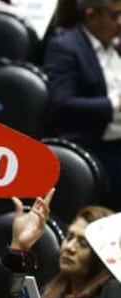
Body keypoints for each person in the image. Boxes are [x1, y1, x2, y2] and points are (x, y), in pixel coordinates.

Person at [45, 0, 121, 208]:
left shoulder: (116, 47)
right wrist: (113, 104)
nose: (120, 23)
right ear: (91, 15)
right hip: (94, 152)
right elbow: (61, 104)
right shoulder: (66, 47)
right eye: (114, 16)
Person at [42, 206, 121, 298]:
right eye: (69, 237)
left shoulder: (113, 292)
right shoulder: (50, 289)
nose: (69, 247)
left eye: (83, 243)